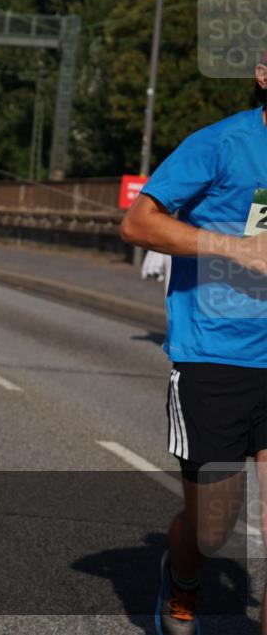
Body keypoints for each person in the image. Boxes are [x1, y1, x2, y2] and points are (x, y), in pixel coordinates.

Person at [120, 53, 267, 635]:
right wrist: (238, 248)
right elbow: (138, 223)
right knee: (212, 529)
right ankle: (182, 582)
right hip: (217, 357)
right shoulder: (221, 144)